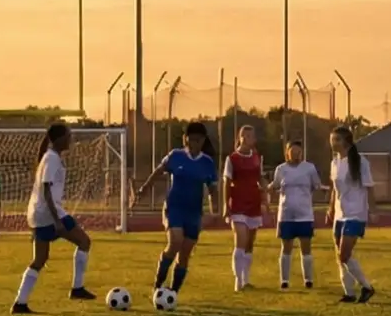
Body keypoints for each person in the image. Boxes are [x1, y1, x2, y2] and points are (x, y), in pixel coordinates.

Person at [12, 124, 96, 314]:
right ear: (58, 139)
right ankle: (77, 289)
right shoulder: (51, 159)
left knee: (40, 259)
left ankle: (20, 303)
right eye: (68, 136)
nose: (70, 139)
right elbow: (47, 190)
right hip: (49, 213)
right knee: (84, 241)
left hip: (37, 214)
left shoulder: (48, 156)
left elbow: (41, 160)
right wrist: (57, 221)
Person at [138, 122, 221, 298]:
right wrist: (144, 189)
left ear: (203, 141)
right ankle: (158, 285)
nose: (193, 144)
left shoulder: (207, 163)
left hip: (193, 213)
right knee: (175, 242)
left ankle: (173, 293)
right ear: (185, 139)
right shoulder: (176, 156)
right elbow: (158, 172)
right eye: (190, 140)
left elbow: (213, 189)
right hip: (174, 208)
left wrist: (216, 211)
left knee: (184, 255)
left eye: (198, 141)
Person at [330, 126, 376, 304]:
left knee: (344, 254)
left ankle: (367, 287)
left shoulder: (360, 161)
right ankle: (349, 293)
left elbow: (369, 187)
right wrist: (331, 208)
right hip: (340, 214)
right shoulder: (334, 162)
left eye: (337, 140)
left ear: (347, 142)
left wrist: (373, 210)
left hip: (356, 212)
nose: (333, 143)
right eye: (332, 139)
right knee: (340, 256)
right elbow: (335, 188)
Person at [271, 139, 323, 290]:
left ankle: (308, 279)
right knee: (286, 247)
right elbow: (275, 186)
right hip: (286, 214)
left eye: (298, 152)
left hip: (304, 214)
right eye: (293, 151)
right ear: (287, 152)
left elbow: (316, 185)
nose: (296, 154)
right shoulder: (281, 169)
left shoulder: (309, 168)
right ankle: (284, 280)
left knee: (306, 247)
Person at [223, 125, 269, 291]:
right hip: (238, 203)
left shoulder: (257, 157)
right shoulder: (232, 159)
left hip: (253, 201)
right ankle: (238, 281)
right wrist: (224, 204)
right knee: (240, 240)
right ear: (240, 138)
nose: (249, 138)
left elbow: (261, 179)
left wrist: (265, 199)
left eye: (252, 135)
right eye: (246, 135)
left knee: (250, 242)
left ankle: (246, 278)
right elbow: (226, 182)